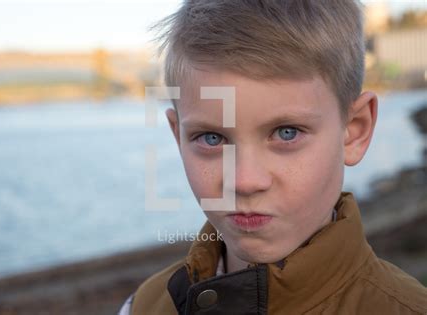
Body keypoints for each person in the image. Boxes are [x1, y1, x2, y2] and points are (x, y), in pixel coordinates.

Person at [118, 0, 427, 314]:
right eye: (212, 138)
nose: (245, 181)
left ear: (354, 131)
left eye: (287, 133)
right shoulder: (145, 305)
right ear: (178, 137)